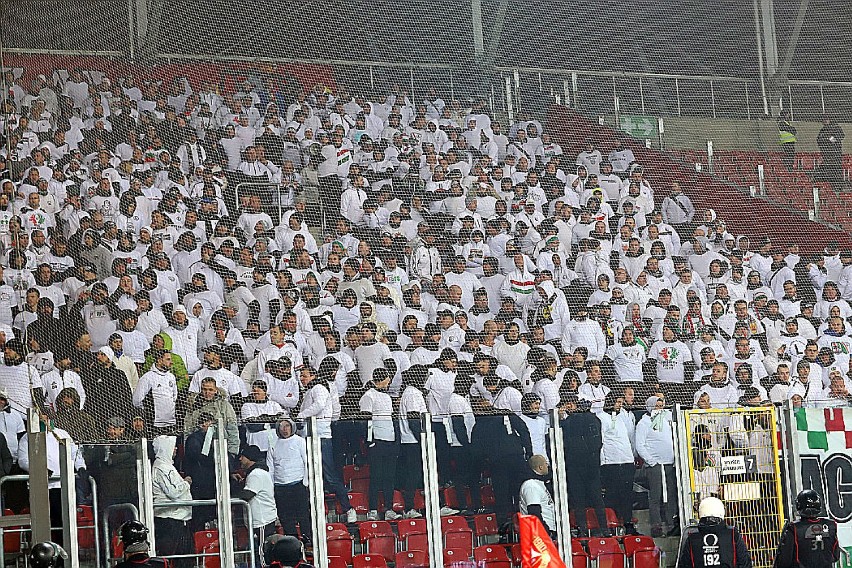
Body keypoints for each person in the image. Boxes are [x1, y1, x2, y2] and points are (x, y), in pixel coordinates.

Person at [151, 436, 193, 567]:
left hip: (178, 519)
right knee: (171, 558)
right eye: (173, 446)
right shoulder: (161, 468)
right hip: (169, 520)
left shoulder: (167, 466)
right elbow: (173, 492)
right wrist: (186, 483)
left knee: (184, 558)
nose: (175, 449)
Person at [676, 497, 752, 568]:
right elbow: (745, 562)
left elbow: (684, 564)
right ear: (722, 512)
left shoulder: (692, 538)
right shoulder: (732, 534)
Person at [773, 489, 840, 568]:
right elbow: (836, 556)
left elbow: (784, 561)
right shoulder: (831, 525)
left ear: (799, 505)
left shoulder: (793, 528)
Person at [518, 455, 557, 537]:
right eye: (546, 464)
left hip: (546, 532)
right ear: (540, 467)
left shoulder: (539, 483)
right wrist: (545, 531)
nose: (548, 466)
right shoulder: (531, 486)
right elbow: (534, 512)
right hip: (541, 535)